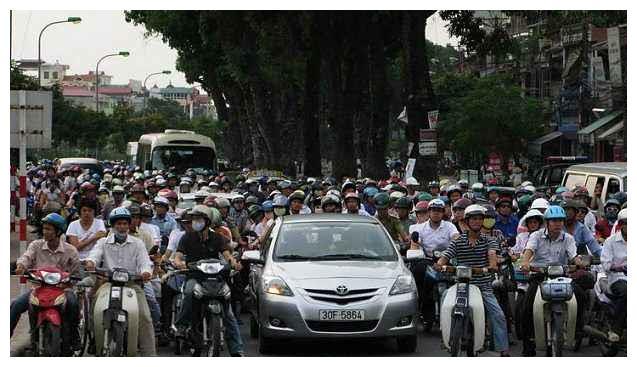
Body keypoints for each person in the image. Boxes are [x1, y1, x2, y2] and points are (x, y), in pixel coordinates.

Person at [434, 204, 511, 356]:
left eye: (479, 219)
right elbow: (446, 256)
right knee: (444, 299)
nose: (476, 222)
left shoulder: (489, 240)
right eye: (473, 219)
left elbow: (492, 256)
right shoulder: (458, 241)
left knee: (498, 315)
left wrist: (492, 265)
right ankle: (445, 337)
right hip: (461, 284)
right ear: (467, 221)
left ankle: (503, 350)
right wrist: (439, 264)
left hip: (483, 286)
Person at [172, 205, 245, 356]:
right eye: (193, 219)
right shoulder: (187, 237)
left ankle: (237, 350)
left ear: (207, 221)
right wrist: (178, 262)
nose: (194, 222)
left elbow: (227, 255)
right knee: (188, 293)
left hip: (216, 279)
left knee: (229, 313)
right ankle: (182, 327)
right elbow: (178, 255)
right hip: (195, 277)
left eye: (198, 219)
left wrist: (233, 263)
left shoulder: (218, 238)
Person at [84, 208, 156, 356]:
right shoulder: (103, 242)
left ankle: (149, 354)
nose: (121, 227)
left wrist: (146, 272)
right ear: (112, 225)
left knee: (144, 316)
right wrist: (91, 262)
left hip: (132, 285)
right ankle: (95, 341)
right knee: (94, 308)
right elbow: (94, 255)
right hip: (108, 283)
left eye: (124, 223)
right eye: (118, 224)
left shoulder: (138, 243)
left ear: (129, 225)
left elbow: (144, 262)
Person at [519, 206, 585, 356]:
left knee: (581, 296)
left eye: (561, 221)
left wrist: (579, 261)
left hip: (561, 276)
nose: (558, 224)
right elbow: (529, 251)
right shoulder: (536, 236)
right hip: (539, 275)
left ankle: (578, 330)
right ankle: (528, 344)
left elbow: (574, 255)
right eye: (554, 221)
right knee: (527, 307)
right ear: (547, 222)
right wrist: (525, 262)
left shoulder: (568, 238)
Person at [11, 213, 81, 354]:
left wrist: (74, 279)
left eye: (49, 229)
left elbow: (77, 272)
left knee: (73, 304)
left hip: (63, 291)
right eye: (44, 229)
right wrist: (21, 266)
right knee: (16, 305)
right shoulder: (36, 245)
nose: (45, 232)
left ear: (59, 231)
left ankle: (74, 335)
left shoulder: (70, 250)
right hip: (39, 289)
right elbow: (26, 257)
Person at [408, 199, 459, 330]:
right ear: (429, 212)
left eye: (439, 211)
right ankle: (423, 307)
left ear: (443, 213)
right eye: (433, 210)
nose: (436, 213)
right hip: (428, 260)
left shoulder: (450, 226)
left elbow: (456, 240)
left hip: (448, 259)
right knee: (418, 271)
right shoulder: (420, 228)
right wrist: (415, 250)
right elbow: (415, 244)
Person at [600, 208, 627, 339]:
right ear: (621, 225)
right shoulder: (610, 241)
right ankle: (616, 328)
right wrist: (619, 267)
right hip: (617, 279)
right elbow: (605, 264)